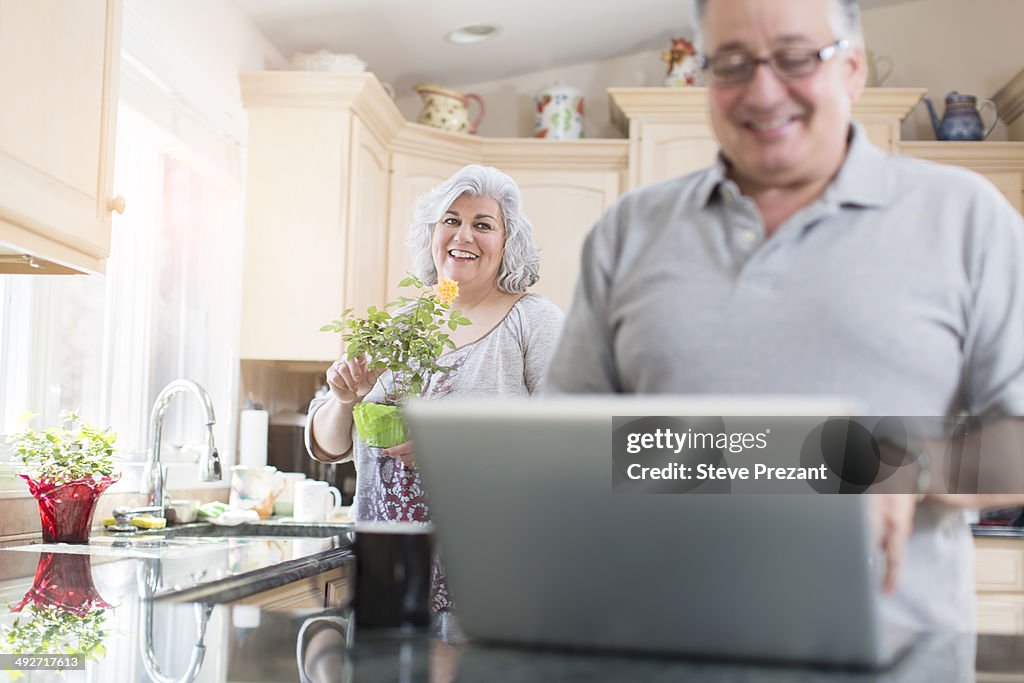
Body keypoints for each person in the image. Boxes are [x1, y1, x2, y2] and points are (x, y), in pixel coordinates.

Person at [545, 0, 1024, 631]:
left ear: (852, 68)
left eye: (796, 58)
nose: (763, 92)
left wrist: (911, 463)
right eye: (732, 64)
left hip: (889, 660)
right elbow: (562, 449)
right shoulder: (629, 230)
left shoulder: (966, 217)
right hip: (659, 647)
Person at [305, 164, 564, 612]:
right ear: (432, 234)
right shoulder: (403, 326)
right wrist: (343, 399)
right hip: (392, 573)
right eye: (451, 221)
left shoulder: (534, 322)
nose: (463, 236)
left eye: (482, 225)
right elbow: (328, 447)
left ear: (507, 242)